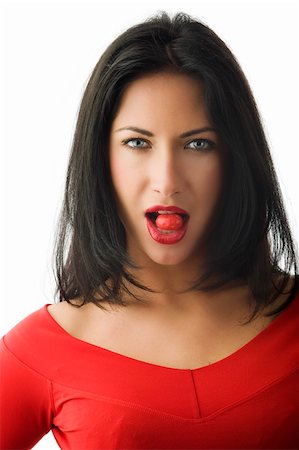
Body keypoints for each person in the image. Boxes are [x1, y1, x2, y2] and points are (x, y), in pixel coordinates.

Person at [1, 10, 298, 449]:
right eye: (137, 143)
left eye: (198, 144)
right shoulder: (41, 350)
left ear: (235, 159)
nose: (168, 179)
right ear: (101, 160)